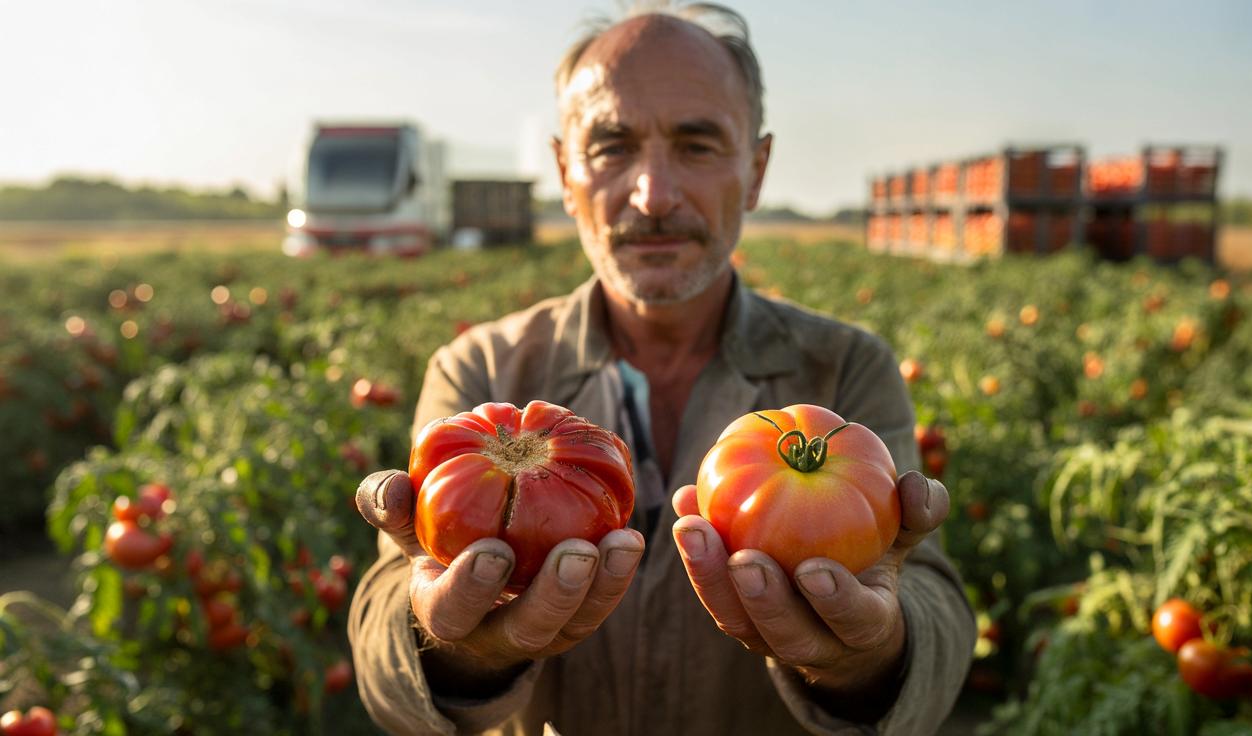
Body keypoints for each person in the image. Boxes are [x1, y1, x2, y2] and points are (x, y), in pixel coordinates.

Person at [347, 3, 975, 734]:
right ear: (564, 171)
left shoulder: (844, 372)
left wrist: (870, 656)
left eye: (697, 144)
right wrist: (456, 651)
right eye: (611, 146)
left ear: (757, 170)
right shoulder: (480, 369)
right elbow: (386, 617)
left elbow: (929, 600)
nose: (653, 196)